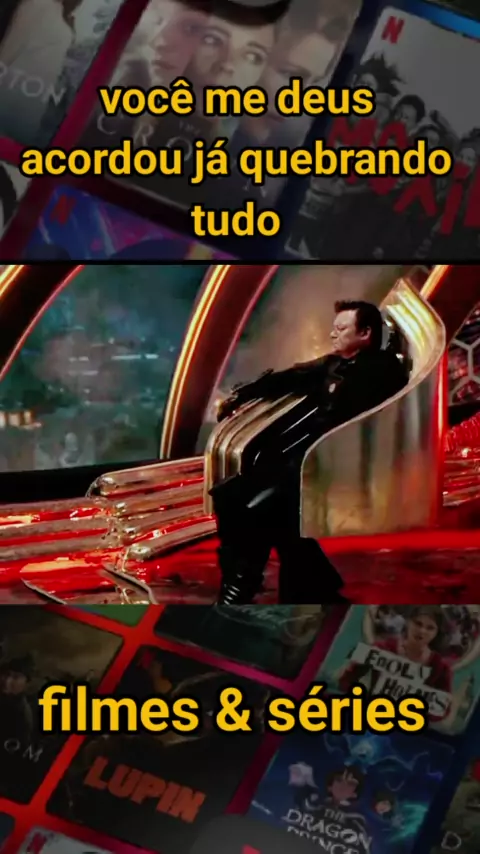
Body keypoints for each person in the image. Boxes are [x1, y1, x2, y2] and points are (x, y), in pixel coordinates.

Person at [210, 300, 409, 605]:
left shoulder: (380, 370)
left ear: (365, 333)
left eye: (341, 329)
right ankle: (263, 581)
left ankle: (241, 587)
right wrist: (242, 395)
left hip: (337, 465)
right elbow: (291, 376)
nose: (333, 334)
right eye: (334, 328)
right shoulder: (334, 364)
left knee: (261, 509)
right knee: (228, 494)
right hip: (303, 460)